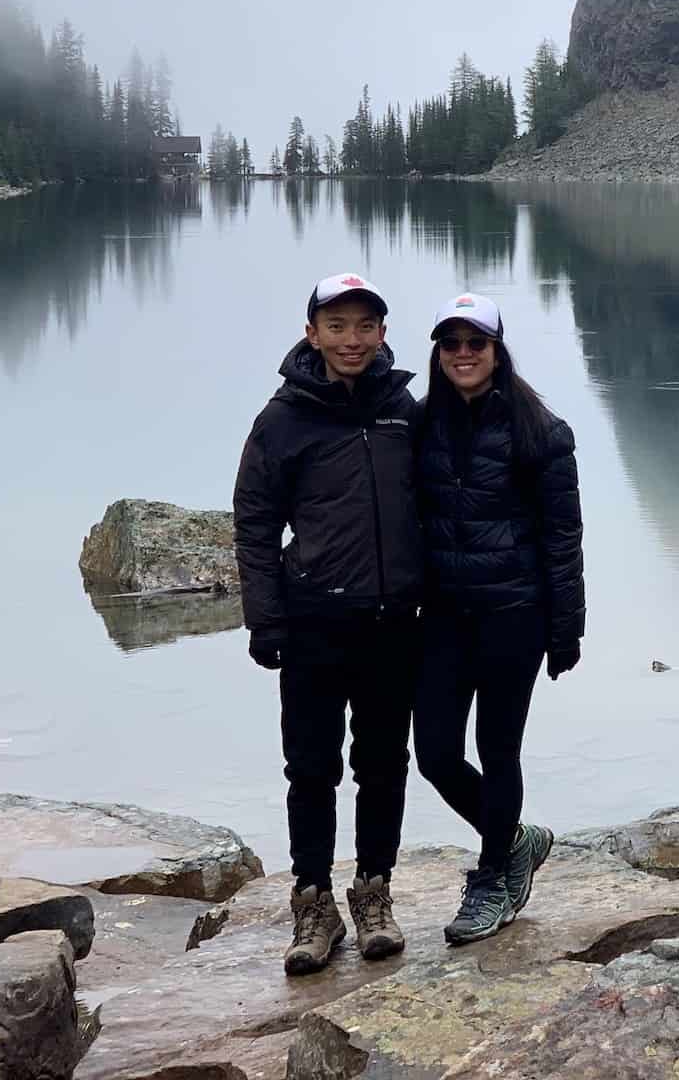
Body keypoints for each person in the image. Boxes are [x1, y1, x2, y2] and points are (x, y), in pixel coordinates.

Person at [232, 273, 424, 975]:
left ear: (382, 333)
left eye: (365, 326)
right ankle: (313, 906)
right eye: (336, 326)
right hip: (315, 620)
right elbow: (255, 525)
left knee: (383, 765)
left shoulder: (403, 408)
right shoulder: (282, 420)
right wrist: (265, 618)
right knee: (311, 769)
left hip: (394, 622)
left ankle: (374, 894)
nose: (352, 340)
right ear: (312, 333)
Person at [413, 292, 585, 945]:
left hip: (515, 614)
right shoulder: (420, 425)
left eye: (474, 343)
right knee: (432, 755)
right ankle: (516, 839)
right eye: (451, 343)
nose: (462, 354)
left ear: (496, 349)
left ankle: (492, 880)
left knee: (497, 748)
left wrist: (566, 627)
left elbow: (563, 538)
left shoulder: (541, 432)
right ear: (439, 351)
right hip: (443, 618)